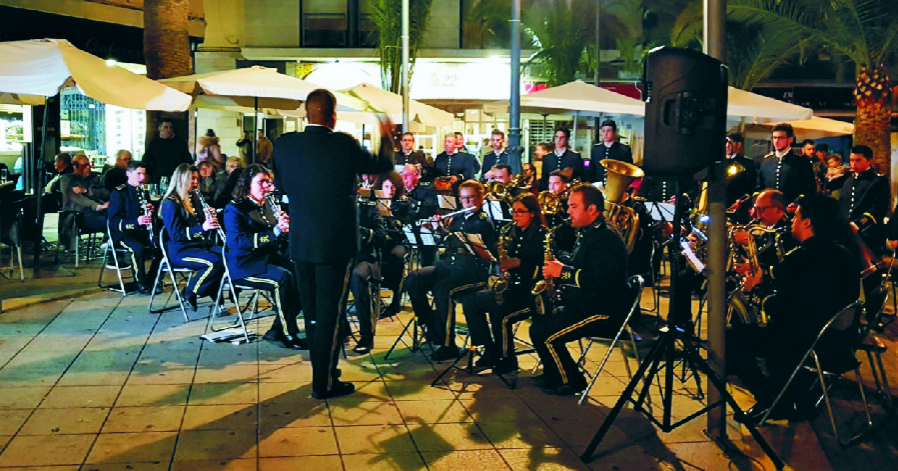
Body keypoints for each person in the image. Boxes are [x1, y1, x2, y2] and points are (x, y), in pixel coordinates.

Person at [271, 88, 394, 400]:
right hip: (335, 244)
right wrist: (387, 135)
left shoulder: (285, 145)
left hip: (301, 241)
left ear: (306, 113)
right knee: (330, 312)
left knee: (312, 312)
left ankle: (323, 374)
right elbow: (381, 164)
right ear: (333, 114)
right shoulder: (342, 144)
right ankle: (323, 382)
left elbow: (282, 186)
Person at [729, 193, 860, 422]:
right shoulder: (844, 253)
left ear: (808, 222)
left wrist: (757, 290)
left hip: (808, 343)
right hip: (840, 341)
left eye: (796, 217)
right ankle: (786, 395)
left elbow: (782, 311)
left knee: (733, 341)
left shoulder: (799, 258)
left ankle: (772, 400)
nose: (792, 221)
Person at [530, 184, 629, 395]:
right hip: (586, 303)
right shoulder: (587, 232)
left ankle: (572, 381)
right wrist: (560, 263)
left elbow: (601, 280)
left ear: (592, 209)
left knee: (545, 332)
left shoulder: (606, 238)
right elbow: (582, 264)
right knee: (539, 323)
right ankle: (554, 373)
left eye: (574, 206)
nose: (568, 212)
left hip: (604, 310)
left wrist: (562, 272)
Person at [405, 180, 496, 361]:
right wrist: (434, 231)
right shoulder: (458, 218)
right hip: (450, 266)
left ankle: (448, 345)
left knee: (443, 291)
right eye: (463, 199)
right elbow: (446, 245)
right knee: (414, 279)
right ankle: (432, 325)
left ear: (481, 198)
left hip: (472, 271)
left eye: (471, 198)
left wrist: (443, 230)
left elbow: (467, 245)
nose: (467, 203)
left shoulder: (484, 223)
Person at [461, 192, 546, 373]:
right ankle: (489, 349)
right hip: (511, 287)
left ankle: (507, 359)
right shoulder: (513, 231)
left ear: (532, 213)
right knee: (471, 302)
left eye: (520, 212)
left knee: (499, 313)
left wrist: (519, 263)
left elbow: (543, 264)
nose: (515, 216)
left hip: (530, 291)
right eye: (513, 212)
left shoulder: (541, 234)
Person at [223, 165, 305, 350]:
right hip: (245, 264)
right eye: (261, 182)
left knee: (302, 275)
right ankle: (287, 333)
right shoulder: (234, 209)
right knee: (283, 279)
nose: (267, 186)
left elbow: (275, 236)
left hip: (266, 259)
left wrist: (283, 229)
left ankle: (277, 329)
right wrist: (274, 232)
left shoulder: (266, 204)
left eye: (269, 182)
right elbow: (238, 242)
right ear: (247, 184)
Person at [351, 172, 407, 353]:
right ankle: (339, 329)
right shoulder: (334, 208)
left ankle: (366, 336)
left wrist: (360, 231)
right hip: (342, 257)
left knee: (358, 276)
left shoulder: (370, 207)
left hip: (365, 257)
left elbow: (381, 237)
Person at [159, 163, 224, 312]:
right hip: (180, 250)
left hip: (199, 245)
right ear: (182, 179)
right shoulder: (170, 202)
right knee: (214, 263)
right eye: (192, 179)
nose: (196, 183)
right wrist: (203, 227)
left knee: (227, 256)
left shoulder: (194, 198)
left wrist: (209, 217)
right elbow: (176, 234)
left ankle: (208, 292)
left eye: (197, 179)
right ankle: (191, 291)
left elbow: (201, 226)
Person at [107, 161, 160, 294]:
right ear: (128, 174)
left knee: (162, 246)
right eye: (138, 174)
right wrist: (136, 222)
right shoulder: (119, 193)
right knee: (138, 248)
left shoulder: (143, 191)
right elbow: (114, 222)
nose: (142, 178)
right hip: (122, 233)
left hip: (140, 232)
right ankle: (140, 282)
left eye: (143, 174)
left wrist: (150, 211)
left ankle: (152, 279)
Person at [838, 144, 889, 254]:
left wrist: (857, 224)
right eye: (851, 160)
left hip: (868, 233)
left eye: (858, 160)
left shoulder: (878, 181)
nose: (853, 164)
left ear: (869, 160)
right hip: (846, 233)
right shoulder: (848, 179)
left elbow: (878, 209)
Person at [59, 154, 110, 251]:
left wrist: (87, 190)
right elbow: (74, 197)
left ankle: (111, 242)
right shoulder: (67, 179)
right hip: (79, 214)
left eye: (89, 165)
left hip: (98, 210)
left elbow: (106, 193)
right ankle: (111, 242)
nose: (88, 168)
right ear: (75, 166)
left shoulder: (94, 178)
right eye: (85, 165)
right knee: (110, 221)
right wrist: (96, 206)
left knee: (116, 216)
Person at [756, 124, 815, 204]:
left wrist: (797, 203)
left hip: (793, 211)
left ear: (790, 139)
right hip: (769, 211)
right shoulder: (766, 162)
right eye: (774, 138)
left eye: (780, 138)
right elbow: (760, 188)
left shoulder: (801, 162)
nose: (776, 141)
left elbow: (810, 189)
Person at [142, 118, 193, 184]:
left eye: (171, 127)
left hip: (176, 177)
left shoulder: (180, 143)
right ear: (159, 128)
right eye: (166, 127)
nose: (169, 130)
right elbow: (146, 160)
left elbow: (187, 160)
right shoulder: (154, 143)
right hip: (158, 177)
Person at [724, 133, 758, 207]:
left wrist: (742, 200)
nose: (727, 145)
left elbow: (751, 187)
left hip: (738, 206)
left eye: (731, 142)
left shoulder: (747, 164)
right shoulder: (716, 163)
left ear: (738, 145)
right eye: (726, 142)